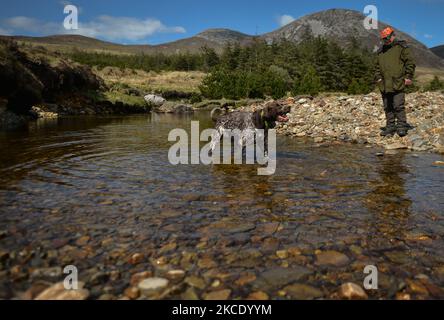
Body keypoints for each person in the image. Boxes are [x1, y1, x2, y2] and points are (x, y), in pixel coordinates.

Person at [375, 27, 416, 137]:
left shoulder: (401, 47)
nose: (385, 41)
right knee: (387, 106)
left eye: (387, 38)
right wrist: (378, 78)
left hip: (398, 81)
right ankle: (390, 126)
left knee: (398, 105)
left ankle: (401, 126)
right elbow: (377, 67)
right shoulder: (380, 51)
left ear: (393, 36)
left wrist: (408, 76)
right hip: (384, 83)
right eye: (384, 39)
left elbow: (410, 62)